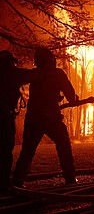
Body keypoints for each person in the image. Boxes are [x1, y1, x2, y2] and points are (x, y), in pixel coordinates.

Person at [14, 48, 79, 187]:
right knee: (64, 146)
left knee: (27, 151)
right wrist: (74, 99)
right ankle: (70, 178)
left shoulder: (35, 74)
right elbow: (71, 96)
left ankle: (18, 181)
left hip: (34, 119)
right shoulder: (58, 74)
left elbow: (21, 78)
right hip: (51, 119)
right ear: (52, 60)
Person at [0, 50, 44, 194]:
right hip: (5, 117)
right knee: (5, 151)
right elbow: (32, 75)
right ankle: (4, 185)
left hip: (6, 115)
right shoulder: (11, 73)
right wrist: (45, 68)